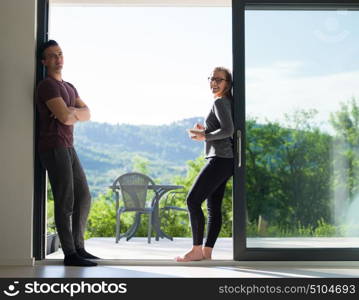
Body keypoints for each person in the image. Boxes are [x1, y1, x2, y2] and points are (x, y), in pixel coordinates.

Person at [36, 40, 99, 266]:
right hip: (53, 145)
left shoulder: (69, 87)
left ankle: (79, 248)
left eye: (60, 54)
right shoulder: (47, 86)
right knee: (65, 200)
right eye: (52, 56)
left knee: (83, 197)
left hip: (68, 145)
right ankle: (70, 254)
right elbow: (64, 118)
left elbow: (88, 113)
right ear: (44, 61)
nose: (57, 59)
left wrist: (72, 110)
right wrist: (72, 113)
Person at [176, 67, 234, 262]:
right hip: (225, 160)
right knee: (213, 207)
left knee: (192, 201)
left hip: (219, 159)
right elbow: (223, 129)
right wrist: (206, 131)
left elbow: (228, 130)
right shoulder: (225, 102)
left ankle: (196, 250)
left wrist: (205, 135)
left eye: (219, 79)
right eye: (212, 78)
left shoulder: (219, 102)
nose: (214, 82)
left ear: (228, 83)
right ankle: (206, 252)